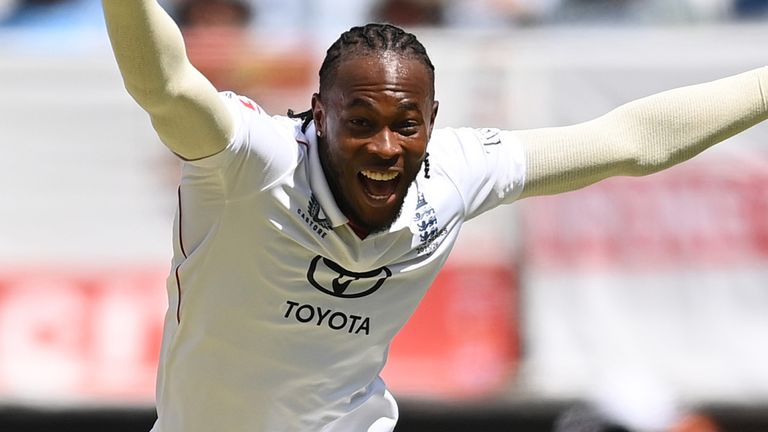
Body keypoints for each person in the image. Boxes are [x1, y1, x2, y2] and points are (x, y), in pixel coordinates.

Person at [101, 1, 768, 431]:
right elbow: (166, 85)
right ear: (319, 115)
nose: (386, 149)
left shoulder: (457, 169)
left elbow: (632, 142)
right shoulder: (255, 158)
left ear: (432, 124)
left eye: (406, 126)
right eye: (360, 123)